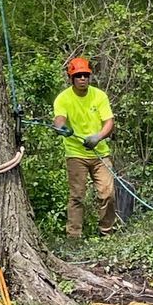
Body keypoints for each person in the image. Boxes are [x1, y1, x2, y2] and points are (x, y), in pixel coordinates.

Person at [52, 54, 117, 240]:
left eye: (85, 75)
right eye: (78, 75)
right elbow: (59, 119)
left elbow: (109, 122)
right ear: (71, 78)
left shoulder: (99, 96)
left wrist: (98, 137)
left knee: (108, 193)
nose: (82, 79)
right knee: (77, 196)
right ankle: (74, 237)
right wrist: (61, 128)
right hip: (76, 154)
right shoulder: (63, 98)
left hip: (100, 153)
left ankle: (107, 233)